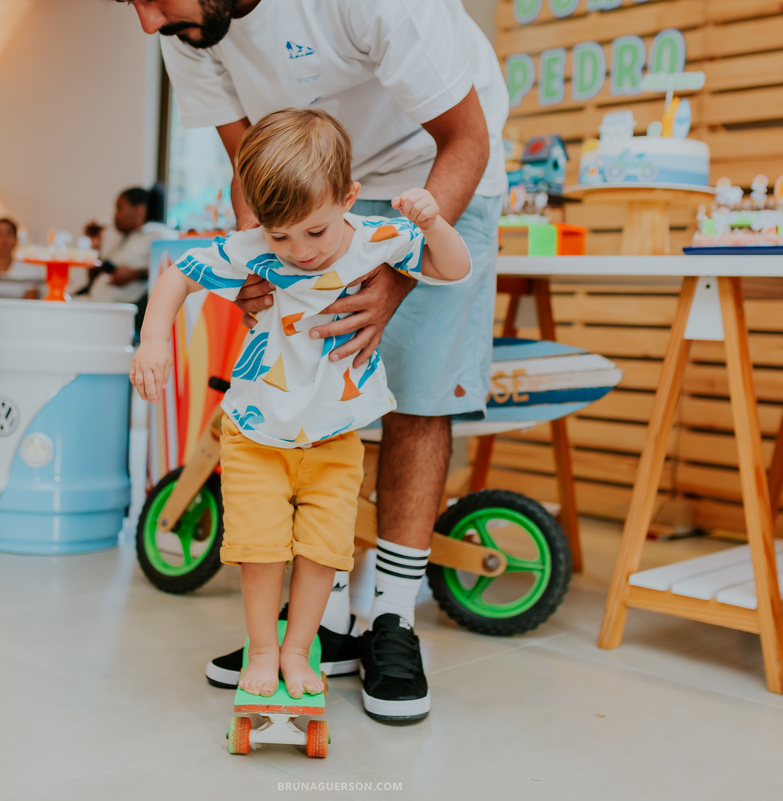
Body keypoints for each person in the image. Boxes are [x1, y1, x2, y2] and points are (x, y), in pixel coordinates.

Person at [124, 0, 507, 721]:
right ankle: (313, 631)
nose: (147, 23)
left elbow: (467, 138)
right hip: (305, 194)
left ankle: (391, 620)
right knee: (308, 425)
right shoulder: (185, 27)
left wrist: (399, 275)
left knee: (417, 396)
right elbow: (248, 164)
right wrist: (262, 258)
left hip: (435, 172)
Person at [86, 185, 175, 307]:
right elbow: (95, 277)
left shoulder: (159, 234)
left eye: (119, 209)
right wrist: (95, 245)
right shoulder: (126, 238)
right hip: (96, 302)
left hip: (123, 310)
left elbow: (173, 268)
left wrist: (137, 274)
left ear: (139, 210)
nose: (115, 215)